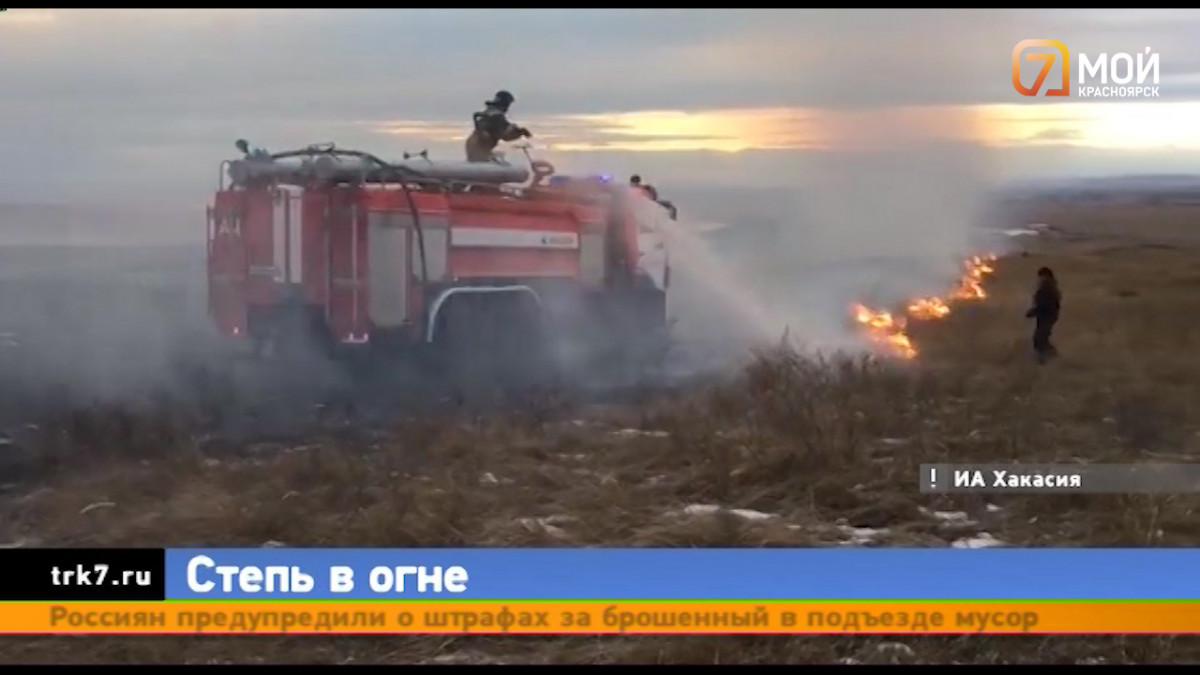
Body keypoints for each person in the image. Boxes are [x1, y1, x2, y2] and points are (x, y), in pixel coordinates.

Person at [465, 90, 531, 162]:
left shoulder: (489, 113)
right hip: (479, 151)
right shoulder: (496, 116)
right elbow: (505, 136)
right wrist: (521, 132)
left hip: (475, 148)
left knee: (499, 157)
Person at [1025, 266, 1061, 364]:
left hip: (1047, 315)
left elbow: (1045, 304)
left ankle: (1044, 359)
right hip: (1047, 315)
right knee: (1042, 337)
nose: (1039, 279)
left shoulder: (1047, 287)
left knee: (1040, 338)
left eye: (1041, 276)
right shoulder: (1049, 286)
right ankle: (1049, 357)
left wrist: (1033, 312)